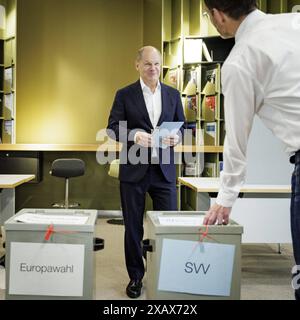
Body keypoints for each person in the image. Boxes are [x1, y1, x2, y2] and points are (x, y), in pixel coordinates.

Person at [202, 0, 300, 300]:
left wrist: (225, 197)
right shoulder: (293, 23)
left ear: (218, 15)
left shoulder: (240, 61)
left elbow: (236, 137)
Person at [107, 46, 185, 298]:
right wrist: (133, 134)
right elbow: (111, 129)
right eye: (148, 64)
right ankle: (136, 278)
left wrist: (177, 138)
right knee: (133, 227)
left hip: (164, 172)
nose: (154, 69)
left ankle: (168, 275)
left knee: (169, 225)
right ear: (137, 65)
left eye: (157, 64)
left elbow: (183, 126)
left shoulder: (173, 95)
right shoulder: (125, 94)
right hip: (134, 171)